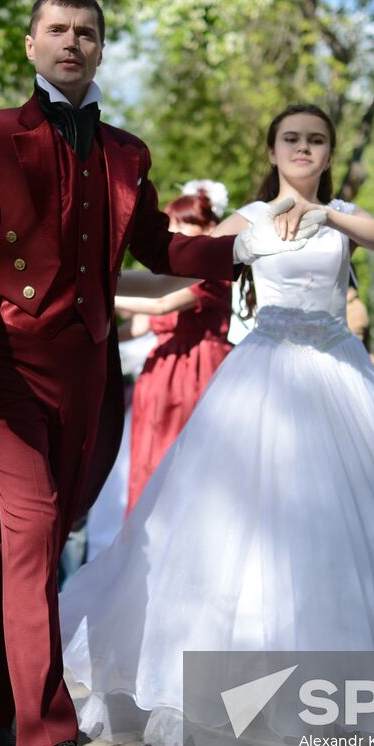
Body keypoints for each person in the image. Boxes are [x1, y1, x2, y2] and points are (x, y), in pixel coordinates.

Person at [0, 0, 306, 746]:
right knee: (28, 537)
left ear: (101, 49)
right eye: (57, 30)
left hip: (88, 379)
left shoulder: (128, 153)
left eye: (87, 32)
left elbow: (161, 244)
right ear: (31, 45)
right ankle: (47, 738)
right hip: (8, 375)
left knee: (47, 547)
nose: (72, 42)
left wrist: (245, 248)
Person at [58, 104, 374, 746]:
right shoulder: (252, 221)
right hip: (263, 380)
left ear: (328, 153)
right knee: (253, 530)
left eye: (315, 140)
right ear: (271, 150)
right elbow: (181, 270)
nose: (303, 148)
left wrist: (331, 216)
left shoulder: (343, 213)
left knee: (349, 533)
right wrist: (98, 278)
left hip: (338, 381)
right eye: (291, 138)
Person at [113, 184, 233, 509]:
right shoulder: (175, 272)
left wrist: (91, 289)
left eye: (184, 222)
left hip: (197, 369)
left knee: (184, 462)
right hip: (160, 373)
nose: (175, 231)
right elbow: (139, 326)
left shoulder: (213, 271)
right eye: (171, 224)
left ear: (209, 227)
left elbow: (160, 304)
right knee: (149, 461)